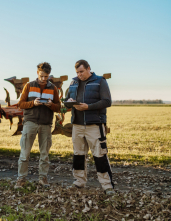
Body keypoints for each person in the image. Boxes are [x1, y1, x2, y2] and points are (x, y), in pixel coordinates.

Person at [64, 59, 115, 195]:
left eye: (81, 71)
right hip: (77, 125)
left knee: (100, 155)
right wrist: (68, 102)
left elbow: (107, 101)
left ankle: (107, 186)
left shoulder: (100, 81)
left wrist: (88, 107)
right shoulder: (73, 82)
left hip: (94, 124)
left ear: (88, 68)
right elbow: (67, 99)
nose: (79, 74)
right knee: (78, 155)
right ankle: (79, 182)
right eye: (77, 72)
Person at [14, 62, 60, 189]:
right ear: (37, 73)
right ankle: (21, 179)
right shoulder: (29, 86)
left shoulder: (53, 88)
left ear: (49, 75)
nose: (43, 79)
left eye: (46, 77)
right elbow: (21, 104)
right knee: (25, 153)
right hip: (30, 123)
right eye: (41, 76)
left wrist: (51, 105)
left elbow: (58, 107)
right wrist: (33, 103)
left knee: (44, 154)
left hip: (46, 124)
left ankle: (42, 178)